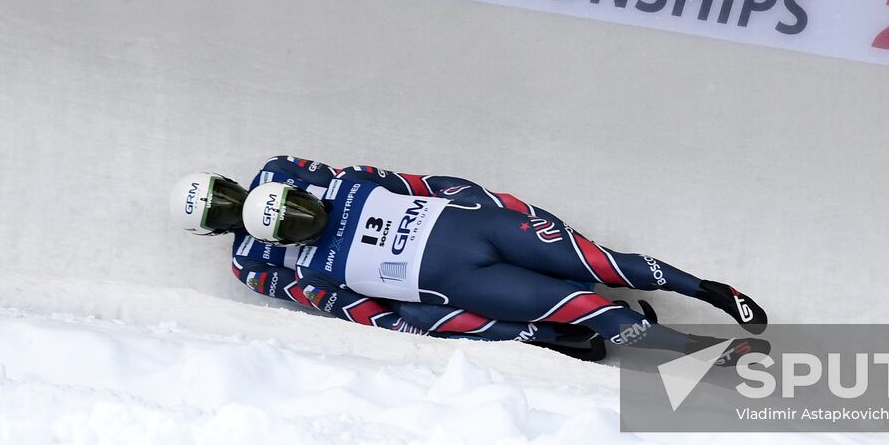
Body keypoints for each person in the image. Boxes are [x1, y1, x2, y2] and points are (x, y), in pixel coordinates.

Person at [173, 156, 768, 363]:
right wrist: (516, 334)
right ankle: (701, 355)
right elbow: (366, 312)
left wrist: (494, 203)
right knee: (591, 309)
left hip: (480, 230)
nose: (304, 220)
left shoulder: (303, 176)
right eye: (217, 213)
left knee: (605, 265)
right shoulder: (260, 267)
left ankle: (711, 290)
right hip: (464, 282)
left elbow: (418, 181)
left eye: (298, 208)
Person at [171, 163, 608, 360]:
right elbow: (318, 296)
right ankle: (548, 335)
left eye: (227, 196)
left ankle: (584, 260)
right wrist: (388, 322)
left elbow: (354, 183)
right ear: (212, 231)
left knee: (488, 208)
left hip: (411, 226)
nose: (232, 208)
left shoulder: (280, 171)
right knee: (421, 314)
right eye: (221, 213)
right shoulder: (249, 264)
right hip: (386, 280)